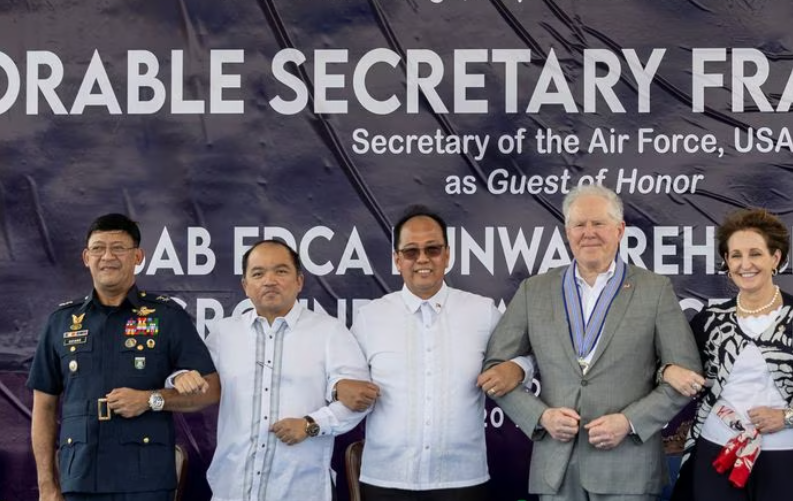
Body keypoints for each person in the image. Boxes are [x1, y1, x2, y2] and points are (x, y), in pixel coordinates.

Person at [483, 184, 702, 501]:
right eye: (579, 224)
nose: (588, 233)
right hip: (556, 470)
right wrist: (541, 417)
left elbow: (687, 376)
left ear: (619, 229)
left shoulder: (655, 290)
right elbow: (494, 371)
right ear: (567, 231)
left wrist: (629, 422)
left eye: (598, 223)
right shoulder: (535, 291)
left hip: (629, 468)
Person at [335, 205, 533, 501]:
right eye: (412, 251)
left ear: (447, 255)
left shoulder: (482, 312)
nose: (423, 259)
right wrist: (339, 386)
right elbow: (343, 377)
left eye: (433, 249)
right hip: (386, 480)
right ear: (397, 259)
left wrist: (518, 368)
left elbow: (528, 354)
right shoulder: (370, 318)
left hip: (462, 480)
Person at [27, 213, 219, 501]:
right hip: (79, 477)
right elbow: (43, 407)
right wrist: (46, 485)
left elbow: (210, 390)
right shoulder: (61, 321)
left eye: (118, 248)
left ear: (138, 256)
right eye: (98, 248)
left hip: (147, 480)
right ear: (86, 257)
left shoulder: (167, 316)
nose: (108, 256)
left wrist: (151, 399)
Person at [671, 209, 793, 501]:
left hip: (789, 456)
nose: (745, 264)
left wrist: (786, 417)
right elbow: (676, 369)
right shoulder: (709, 320)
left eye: (755, 254)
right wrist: (668, 371)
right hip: (717, 452)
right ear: (726, 261)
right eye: (735, 255)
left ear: (775, 258)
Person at [180, 239, 367, 501]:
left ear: (299, 281)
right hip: (232, 488)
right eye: (258, 273)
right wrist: (181, 376)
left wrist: (311, 425)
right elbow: (193, 382)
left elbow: (360, 400)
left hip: (300, 489)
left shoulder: (329, 332)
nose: (269, 280)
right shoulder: (224, 334)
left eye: (281, 271)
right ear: (246, 286)